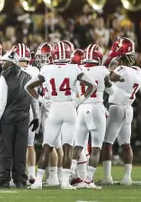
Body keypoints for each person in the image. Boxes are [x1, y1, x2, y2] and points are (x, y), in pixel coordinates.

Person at [25, 41, 96, 190]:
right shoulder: (74, 68)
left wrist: (43, 101)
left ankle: (38, 181)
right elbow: (92, 85)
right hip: (69, 107)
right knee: (68, 147)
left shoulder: (47, 68)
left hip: (54, 107)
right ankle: (64, 182)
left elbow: (28, 86)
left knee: (46, 147)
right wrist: (80, 100)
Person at [0, 50, 40, 188]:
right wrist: (36, 116)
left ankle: (4, 180)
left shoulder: (4, 76)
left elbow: (1, 102)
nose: (1, 63)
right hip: (24, 117)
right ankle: (20, 180)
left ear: (10, 62)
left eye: (4, 61)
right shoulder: (28, 76)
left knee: (5, 150)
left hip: (8, 118)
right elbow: (34, 98)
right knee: (20, 149)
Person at [71, 44, 113, 189]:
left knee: (78, 144)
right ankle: (88, 179)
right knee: (96, 146)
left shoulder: (78, 69)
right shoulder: (102, 70)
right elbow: (111, 90)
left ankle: (71, 173)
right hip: (96, 107)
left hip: (82, 107)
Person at [101, 37, 141, 185]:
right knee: (126, 144)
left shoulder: (120, 69)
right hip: (128, 109)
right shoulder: (138, 70)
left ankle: (107, 177)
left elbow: (110, 77)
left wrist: (109, 62)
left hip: (116, 108)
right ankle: (127, 177)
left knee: (107, 143)